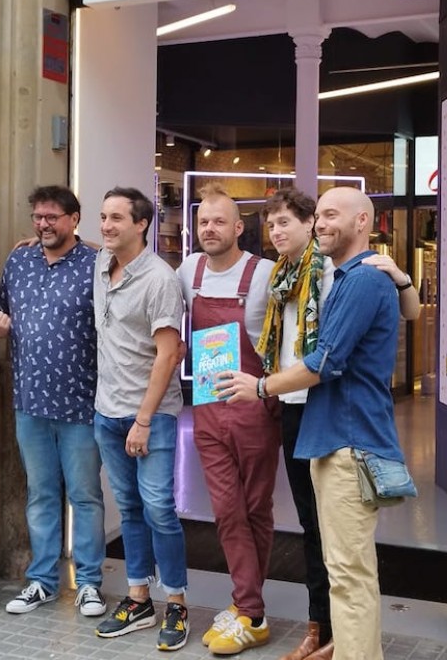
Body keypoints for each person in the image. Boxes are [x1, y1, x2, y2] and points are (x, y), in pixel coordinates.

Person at [220, 187, 412, 660]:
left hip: (348, 437)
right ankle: (338, 643)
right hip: (327, 434)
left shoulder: (359, 279)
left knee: (348, 572)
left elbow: (325, 361)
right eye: (319, 214)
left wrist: (260, 386)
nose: (321, 223)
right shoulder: (336, 277)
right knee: (344, 569)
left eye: (329, 215)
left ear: (362, 221)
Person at [0, 185, 106, 619]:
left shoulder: (96, 264)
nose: (43, 224)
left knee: (85, 496)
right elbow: (0, 316)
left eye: (52, 217)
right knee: (40, 495)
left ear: (74, 219)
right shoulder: (18, 261)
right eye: (38, 217)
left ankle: (89, 583)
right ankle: (42, 582)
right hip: (30, 401)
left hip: (82, 404)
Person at [175, 184, 277, 656]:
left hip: (255, 409)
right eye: (203, 222)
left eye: (219, 221)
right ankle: (250, 609)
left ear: (239, 228)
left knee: (255, 508)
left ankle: (247, 607)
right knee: (226, 509)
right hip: (209, 409)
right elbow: (139, 273)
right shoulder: (188, 270)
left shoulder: (264, 273)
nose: (209, 229)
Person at [92, 186, 189, 652]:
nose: (106, 225)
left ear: (141, 224)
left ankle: (177, 602)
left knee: (159, 509)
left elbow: (168, 355)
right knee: (129, 508)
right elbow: (89, 244)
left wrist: (144, 420)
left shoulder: (160, 280)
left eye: (116, 218)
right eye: (103, 217)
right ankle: (138, 599)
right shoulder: (101, 263)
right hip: (106, 411)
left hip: (149, 415)